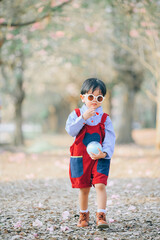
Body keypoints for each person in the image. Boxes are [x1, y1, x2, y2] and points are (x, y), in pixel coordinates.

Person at [65, 78, 116, 228]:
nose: (94, 101)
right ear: (83, 97)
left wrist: (104, 153)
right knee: (84, 187)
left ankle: (101, 216)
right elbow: (71, 131)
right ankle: (83, 216)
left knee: (100, 184)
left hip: (100, 157)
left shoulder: (105, 118)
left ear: (103, 99)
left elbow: (110, 138)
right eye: (90, 97)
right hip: (81, 157)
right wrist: (83, 118)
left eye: (99, 98)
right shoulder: (75, 114)